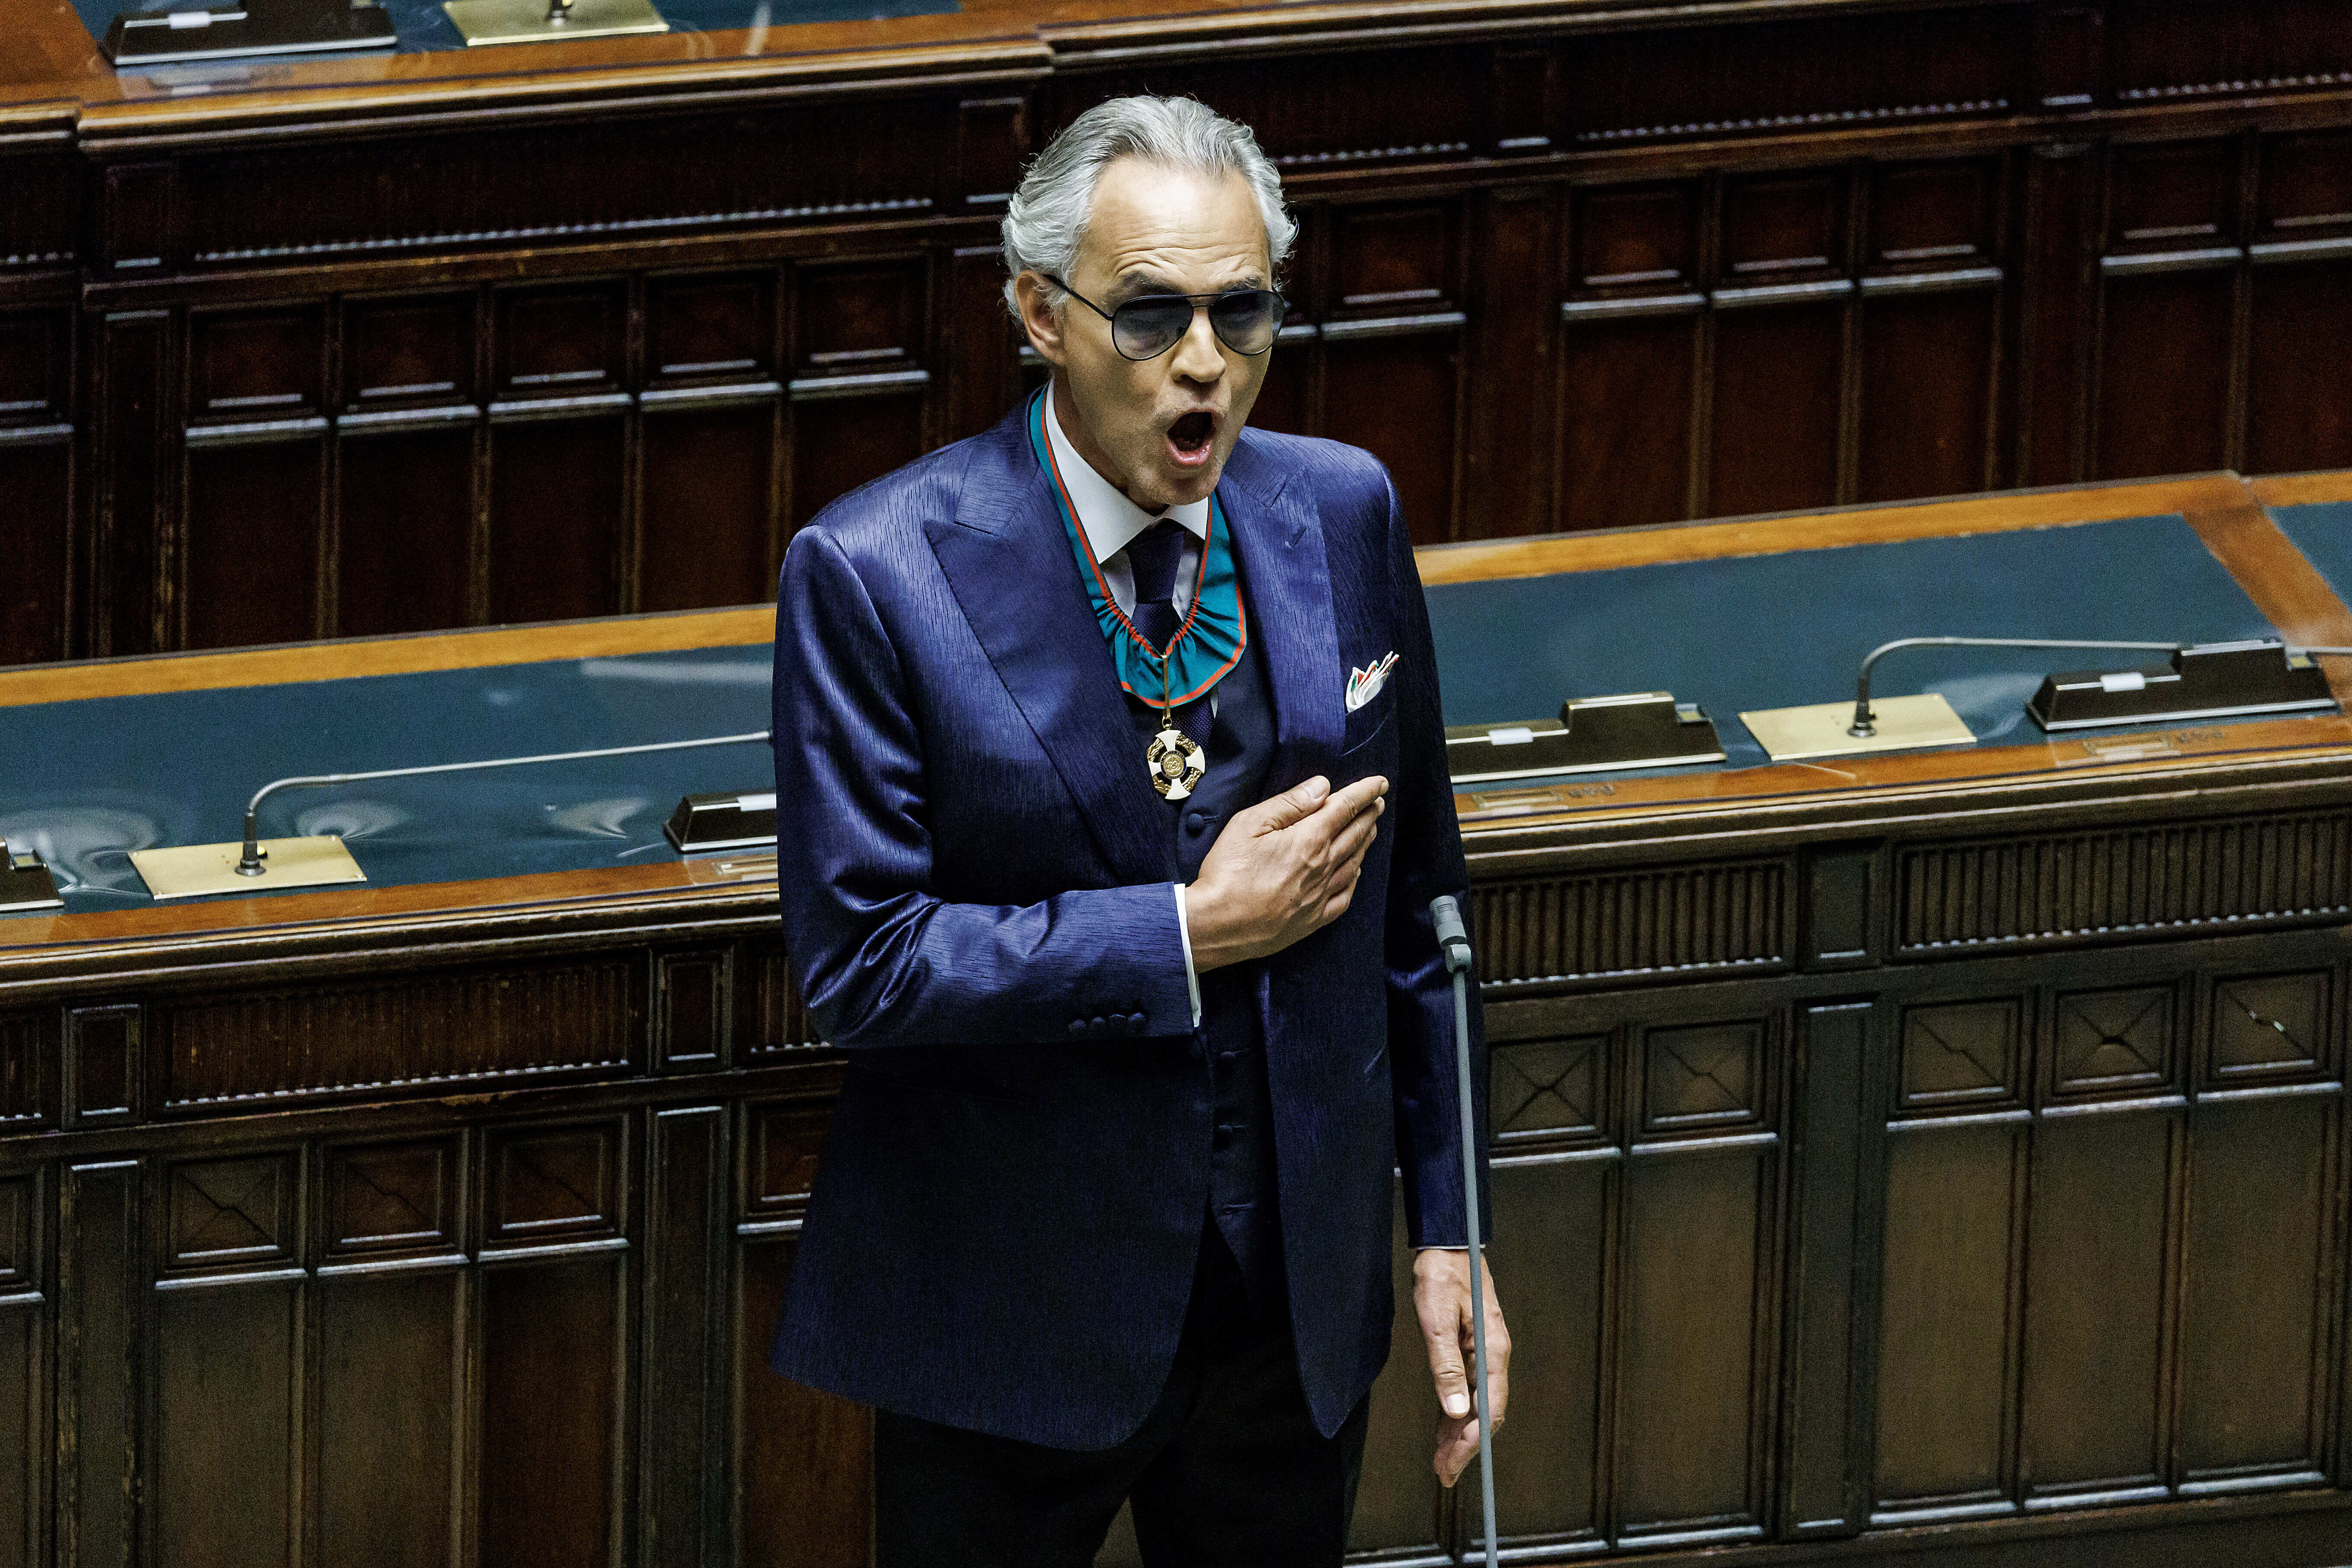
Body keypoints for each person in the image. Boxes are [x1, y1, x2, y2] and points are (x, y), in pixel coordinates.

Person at [768, 94, 1510, 1565]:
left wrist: (1450, 1229)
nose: (1205, 363)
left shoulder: (1340, 511)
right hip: (1012, 1323)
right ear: (1039, 313)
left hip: (1286, 1320)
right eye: (1152, 315)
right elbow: (864, 963)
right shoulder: (874, 570)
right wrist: (1186, 931)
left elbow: (1426, 916)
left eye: (1243, 314)